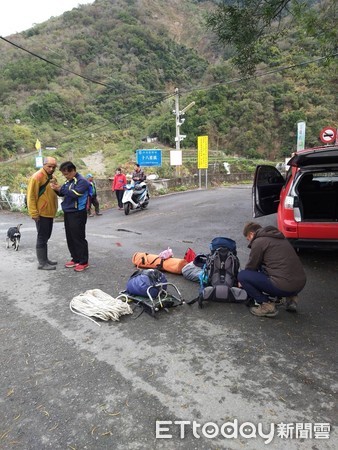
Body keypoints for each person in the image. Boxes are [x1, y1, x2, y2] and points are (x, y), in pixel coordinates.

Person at [238, 222, 306, 318]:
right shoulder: (280, 238)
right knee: (271, 267)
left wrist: (242, 282)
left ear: (251, 234)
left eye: (248, 239)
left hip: (283, 286)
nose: (249, 242)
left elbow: (251, 267)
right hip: (299, 284)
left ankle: (266, 305)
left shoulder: (259, 242)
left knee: (243, 276)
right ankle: (292, 299)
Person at [50, 161, 90, 272]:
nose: (65, 176)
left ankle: (83, 261)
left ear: (73, 170)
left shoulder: (82, 181)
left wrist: (60, 189)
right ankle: (75, 258)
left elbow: (75, 193)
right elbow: (63, 193)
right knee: (70, 237)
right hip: (68, 212)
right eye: (64, 174)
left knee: (78, 237)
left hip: (78, 213)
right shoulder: (69, 181)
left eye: (66, 174)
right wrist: (56, 189)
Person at [27, 156, 58, 271]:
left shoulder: (52, 177)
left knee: (46, 236)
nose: (51, 169)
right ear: (43, 165)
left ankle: (45, 259)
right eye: (49, 166)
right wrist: (34, 213)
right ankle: (42, 263)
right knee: (42, 237)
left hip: (49, 212)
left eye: (54, 167)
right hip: (41, 213)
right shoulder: (37, 177)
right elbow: (31, 196)